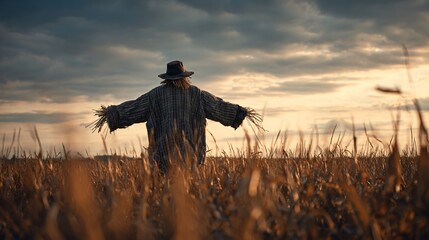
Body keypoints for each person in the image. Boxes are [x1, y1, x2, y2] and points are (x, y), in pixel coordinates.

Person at [89, 60, 262, 172]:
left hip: (161, 157)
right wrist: (240, 112)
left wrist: (111, 114)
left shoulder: (155, 95)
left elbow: (133, 108)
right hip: (191, 156)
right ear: (185, 77)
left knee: (164, 197)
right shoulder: (196, 94)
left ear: (167, 78)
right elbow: (218, 106)